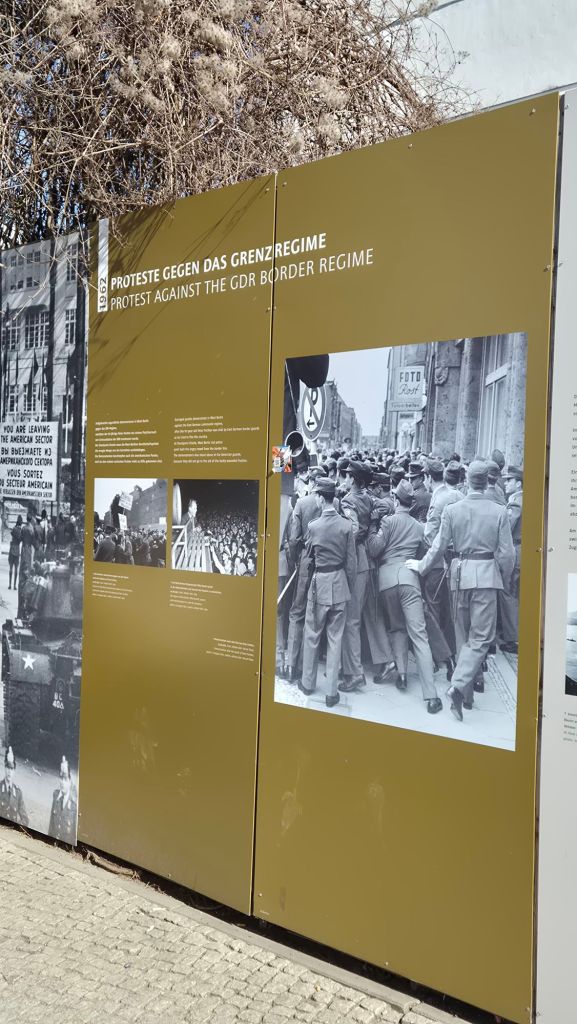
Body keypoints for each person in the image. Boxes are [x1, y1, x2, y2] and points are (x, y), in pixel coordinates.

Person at [407, 460, 515, 721]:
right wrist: (503, 577)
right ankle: (457, 687)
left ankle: (465, 698)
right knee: (481, 638)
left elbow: (438, 546)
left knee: (462, 637)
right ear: (487, 482)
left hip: (458, 574)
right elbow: (507, 554)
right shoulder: (499, 511)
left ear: (467, 481)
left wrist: (421, 566)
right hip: (486, 575)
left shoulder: (452, 509)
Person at [367, 479, 442, 714]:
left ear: (395, 500)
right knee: (419, 636)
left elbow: (375, 549)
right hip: (409, 578)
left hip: (387, 581)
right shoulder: (419, 527)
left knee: (397, 628)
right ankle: (431, 696)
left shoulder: (388, 521)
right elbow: (426, 552)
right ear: (411, 503)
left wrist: (372, 527)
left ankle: (401, 675)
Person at [300, 478, 357, 707]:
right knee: (335, 639)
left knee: (312, 634)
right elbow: (351, 563)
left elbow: (307, 556)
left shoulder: (314, 526)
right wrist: (347, 586)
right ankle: (332, 692)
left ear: (320, 498)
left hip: (319, 585)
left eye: (316, 495)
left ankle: (307, 683)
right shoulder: (346, 525)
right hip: (340, 583)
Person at [339, 460, 372, 692]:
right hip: (365, 559)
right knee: (355, 618)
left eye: (348, 475)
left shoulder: (348, 500)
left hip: (354, 560)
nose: (345, 478)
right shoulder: (368, 498)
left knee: (350, 620)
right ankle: (349, 666)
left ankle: (354, 673)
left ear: (352, 479)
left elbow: (352, 530)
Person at [499, 465, 523, 654]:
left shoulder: (516, 502)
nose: (506, 483)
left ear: (519, 483)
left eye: (509, 480)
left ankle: (512, 638)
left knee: (509, 593)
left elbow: (506, 527)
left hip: (515, 551)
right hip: (523, 550)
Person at [49, 756, 77, 844]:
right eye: (61, 778)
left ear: (70, 781)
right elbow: (51, 826)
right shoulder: (56, 796)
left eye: (65, 779)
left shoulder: (74, 805)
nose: (62, 782)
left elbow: (73, 835)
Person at [0, 746, 28, 826]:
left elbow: (25, 819)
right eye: (8, 768)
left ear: (14, 771)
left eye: (12, 769)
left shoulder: (18, 793)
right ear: (5, 768)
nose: (9, 772)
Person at [8, 515, 23, 590]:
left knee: (11, 567)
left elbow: (11, 533)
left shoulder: (14, 529)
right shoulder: (20, 531)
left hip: (12, 549)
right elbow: (20, 539)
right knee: (16, 568)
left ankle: (9, 584)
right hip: (17, 549)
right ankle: (14, 585)